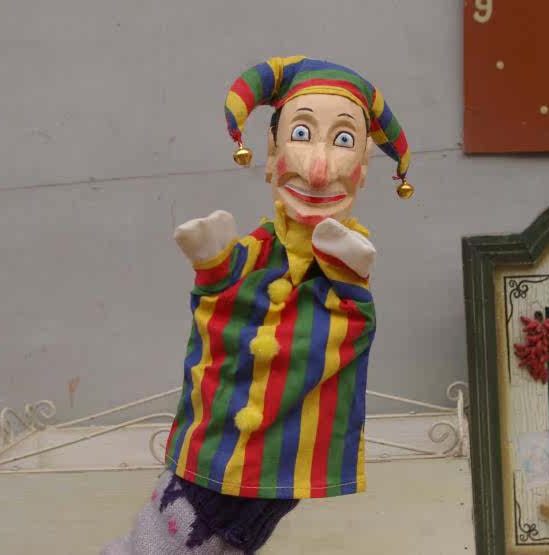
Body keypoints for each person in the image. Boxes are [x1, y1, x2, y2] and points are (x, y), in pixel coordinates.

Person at [102, 55, 413, 555]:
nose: (318, 169)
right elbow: (220, 300)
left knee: (208, 526)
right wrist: (213, 263)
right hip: (216, 440)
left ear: (362, 171)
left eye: (344, 140)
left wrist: (346, 271)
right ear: (271, 155)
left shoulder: (344, 270)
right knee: (192, 527)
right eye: (302, 134)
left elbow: (350, 325)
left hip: (284, 450)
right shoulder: (257, 253)